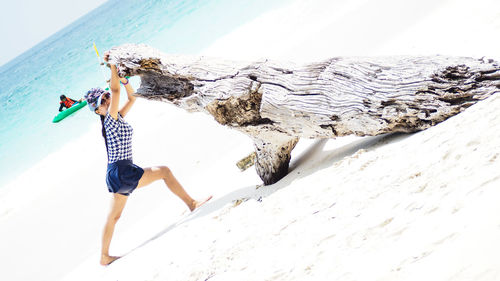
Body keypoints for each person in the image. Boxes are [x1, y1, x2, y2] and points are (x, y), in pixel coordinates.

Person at [85, 55, 212, 266]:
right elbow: (116, 92)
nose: (108, 100)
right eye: (103, 102)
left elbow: (131, 98)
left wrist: (124, 80)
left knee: (114, 217)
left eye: (106, 97)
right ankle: (191, 203)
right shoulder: (109, 119)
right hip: (122, 171)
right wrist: (113, 65)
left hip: (116, 173)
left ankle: (104, 256)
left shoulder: (116, 118)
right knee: (164, 171)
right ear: (98, 110)